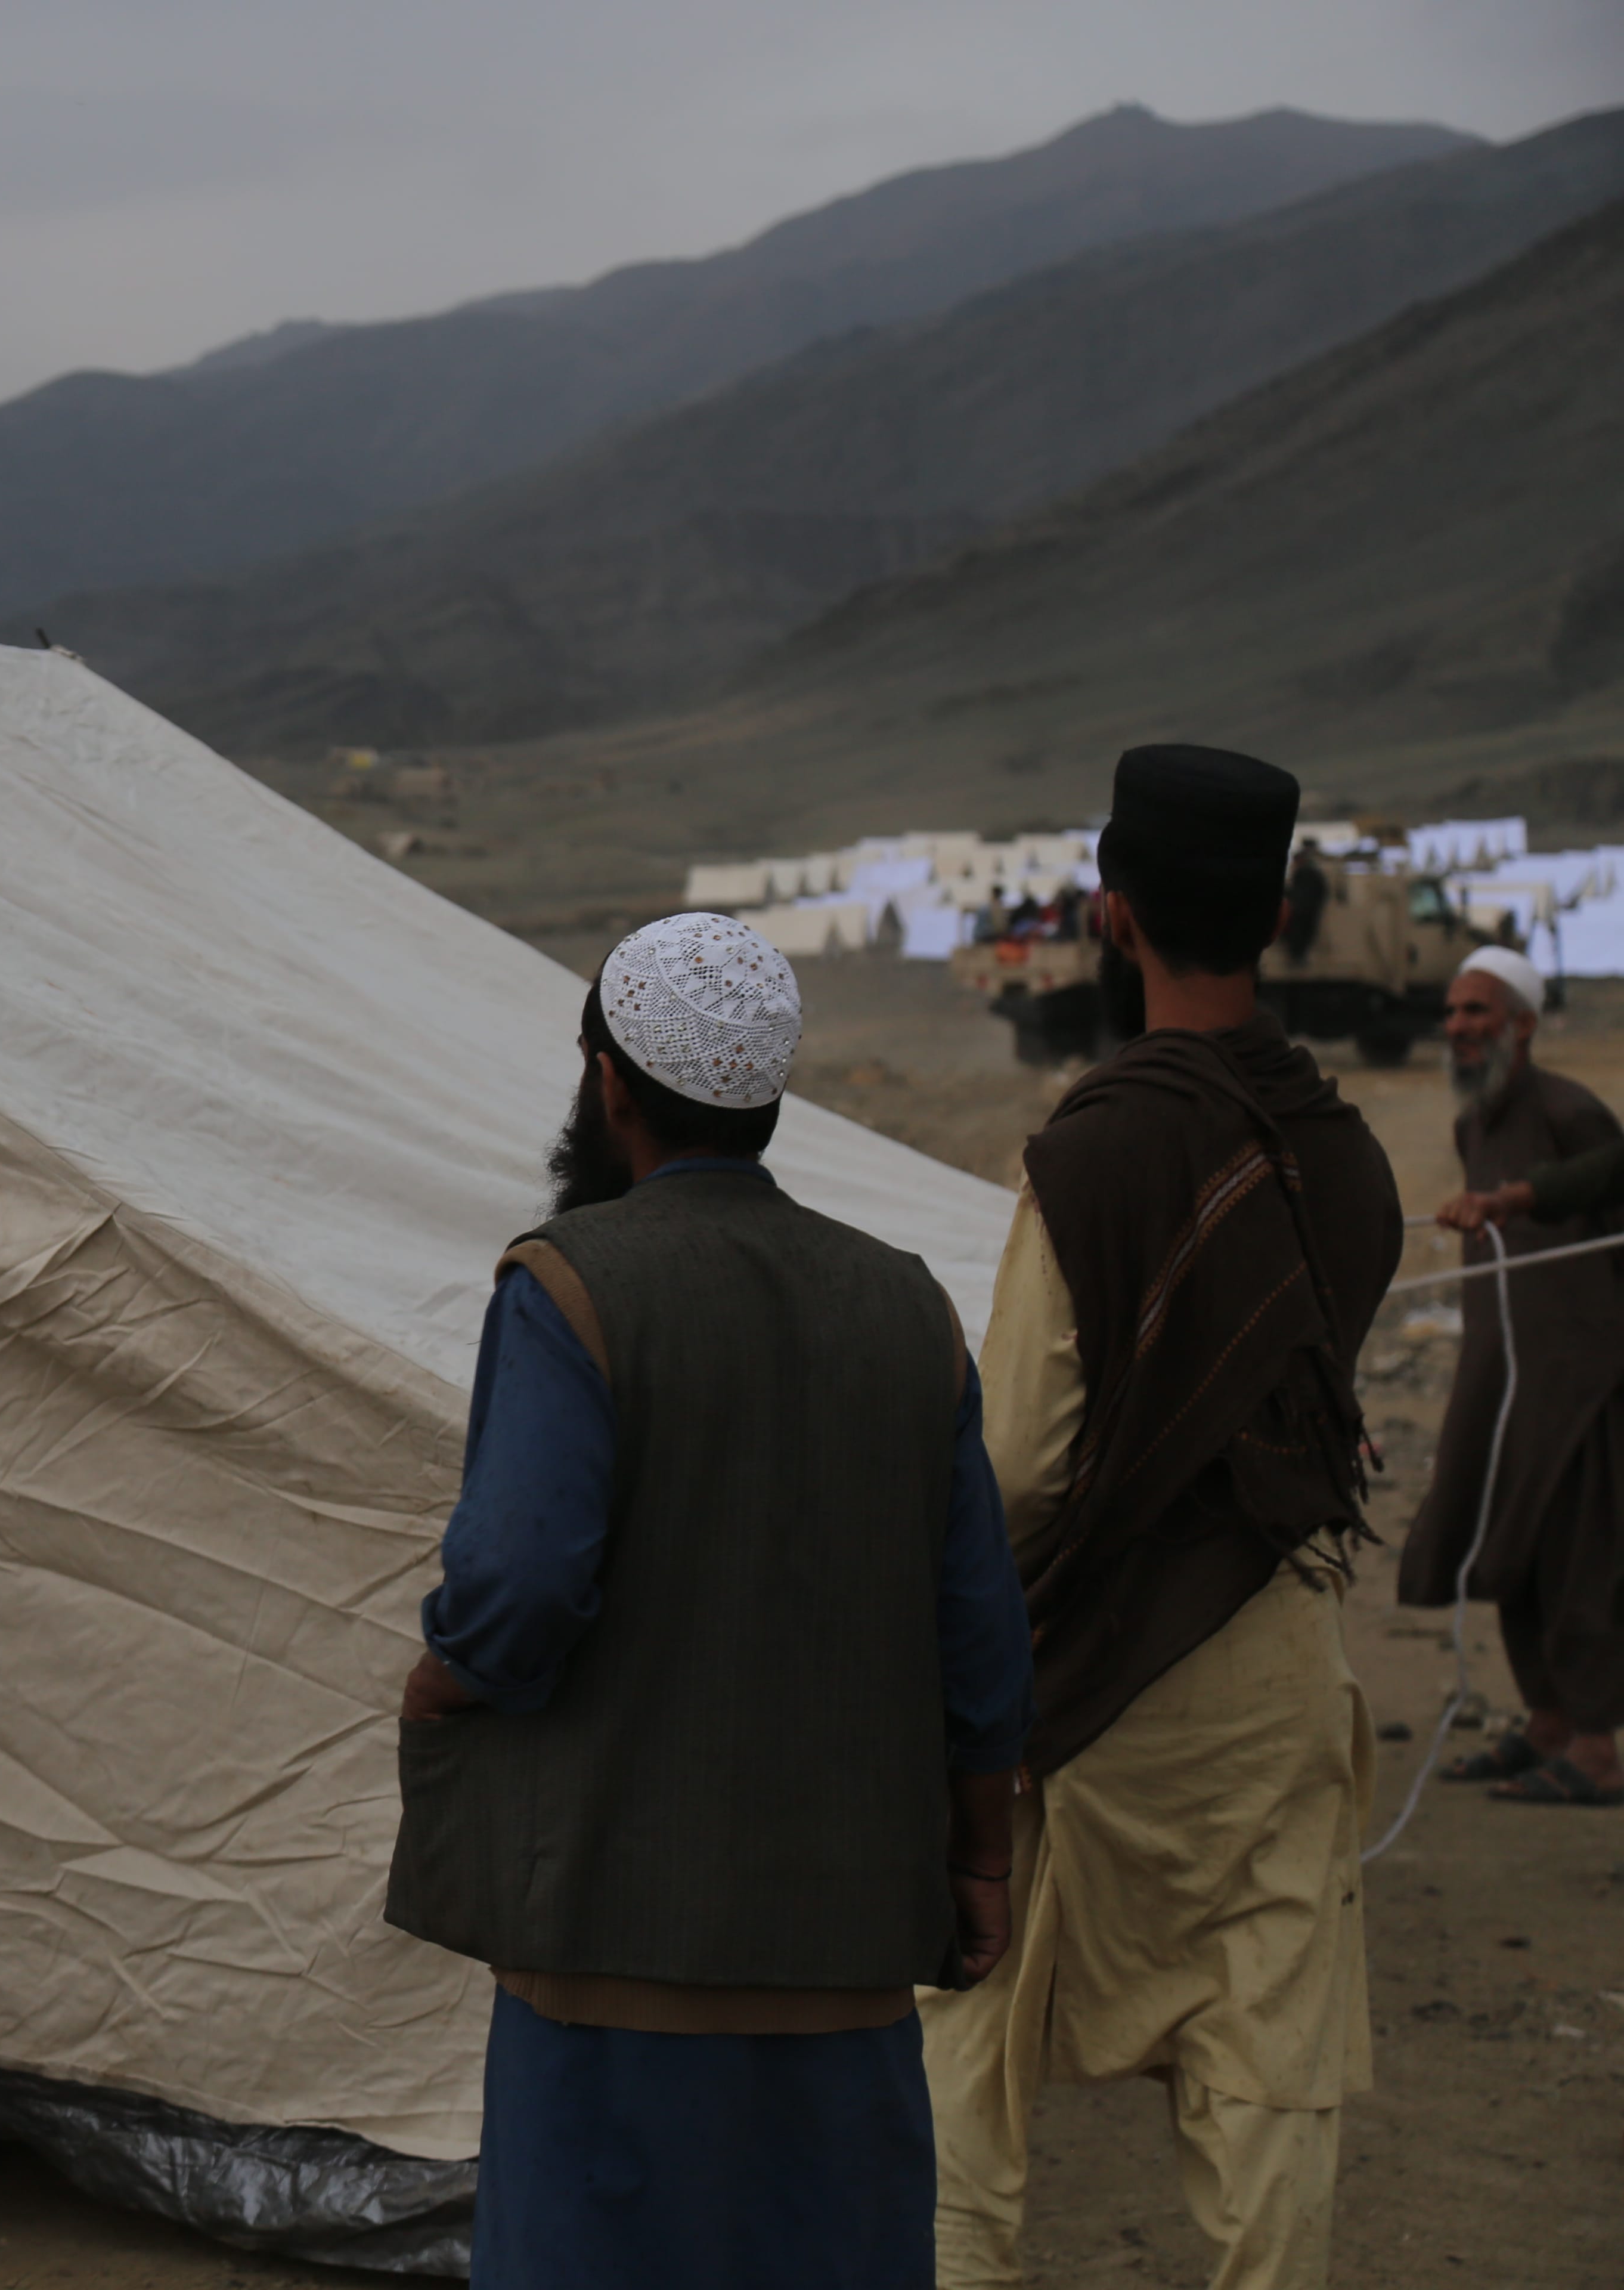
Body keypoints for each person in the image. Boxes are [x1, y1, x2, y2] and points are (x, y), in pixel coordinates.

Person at [387, 912, 1032, 2289]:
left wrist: (442, 1679)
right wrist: (981, 1860)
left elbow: (516, 1582)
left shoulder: (570, 1287)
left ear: (607, 1083)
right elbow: (982, 1637)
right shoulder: (908, 1308)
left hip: (612, 1981)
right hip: (847, 1984)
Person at [924, 746, 1403, 2290]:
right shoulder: (1346, 1153)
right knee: (1266, 2069)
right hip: (1278, 1673)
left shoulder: (1099, 1150)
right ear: (1277, 916)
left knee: (968, 2053)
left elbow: (1017, 1470)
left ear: (1113, 915)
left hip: (1090, 1694)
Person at [1409, 947, 1624, 1805]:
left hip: (1581, 1372)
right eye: (1452, 1012)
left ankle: (1598, 1747)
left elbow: (1607, 1183)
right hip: (1501, 1365)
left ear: (1523, 1025)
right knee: (1508, 1539)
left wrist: (1514, 1199)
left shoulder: (1573, 1112)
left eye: (1477, 1012)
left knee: (1578, 1551)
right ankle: (1548, 1723)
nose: (1458, 1027)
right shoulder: (1473, 1125)